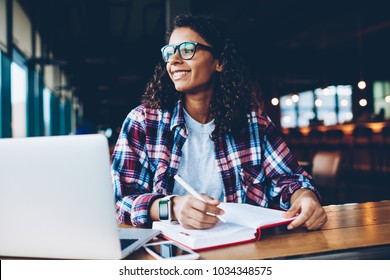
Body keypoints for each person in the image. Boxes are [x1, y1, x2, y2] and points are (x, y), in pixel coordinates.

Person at [111, 14, 327, 231]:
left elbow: (289, 179)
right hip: (169, 251)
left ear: (220, 61)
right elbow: (119, 200)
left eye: (187, 50)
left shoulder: (253, 123)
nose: (174, 61)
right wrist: (173, 206)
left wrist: (304, 196)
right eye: (169, 53)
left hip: (242, 248)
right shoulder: (144, 122)